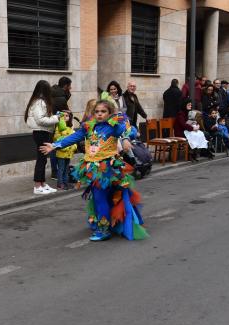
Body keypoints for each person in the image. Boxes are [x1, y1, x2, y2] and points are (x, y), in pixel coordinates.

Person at [39, 100, 148, 242]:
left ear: (109, 113)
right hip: (92, 168)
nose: (100, 114)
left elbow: (129, 129)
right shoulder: (88, 127)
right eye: (97, 112)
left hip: (107, 168)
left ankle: (104, 229)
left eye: (103, 112)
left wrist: (126, 138)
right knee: (101, 197)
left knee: (101, 197)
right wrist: (55, 145)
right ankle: (106, 223)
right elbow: (73, 137)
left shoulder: (113, 126)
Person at [25, 80, 60, 195]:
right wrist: (56, 118)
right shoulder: (39, 102)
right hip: (41, 132)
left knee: (43, 159)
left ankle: (42, 184)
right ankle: (37, 185)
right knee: (41, 159)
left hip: (42, 132)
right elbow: (40, 120)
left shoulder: (38, 101)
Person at [50, 77, 72, 180]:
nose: (71, 88)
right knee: (56, 149)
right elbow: (65, 113)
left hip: (52, 126)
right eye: (69, 86)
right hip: (59, 127)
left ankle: (55, 172)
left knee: (53, 148)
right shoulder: (61, 98)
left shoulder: (54, 93)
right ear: (66, 86)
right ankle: (57, 173)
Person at [52, 112, 77, 190]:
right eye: (64, 116)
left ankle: (66, 182)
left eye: (67, 116)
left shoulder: (70, 128)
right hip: (62, 152)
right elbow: (56, 138)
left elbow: (73, 139)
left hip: (69, 152)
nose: (66, 117)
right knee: (61, 169)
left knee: (66, 169)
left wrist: (74, 147)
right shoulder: (59, 127)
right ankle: (60, 183)